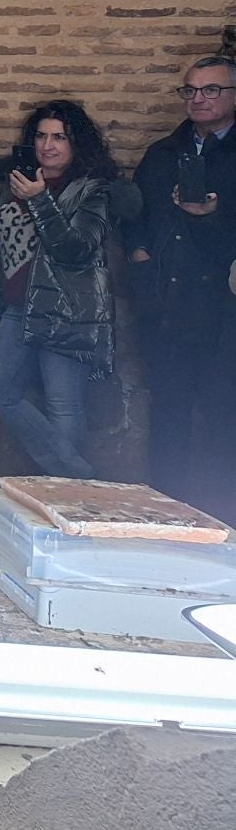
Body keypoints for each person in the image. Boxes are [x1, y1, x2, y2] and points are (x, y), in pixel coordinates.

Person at [0, 100, 118, 479]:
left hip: (68, 309)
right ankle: (76, 476)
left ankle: (67, 491)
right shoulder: (18, 181)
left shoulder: (91, 190)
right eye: (40, 136)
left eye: (59, 137)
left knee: (63, 403)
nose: (48, 145)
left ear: (76, 144)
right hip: (20, 308)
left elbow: (76, 250)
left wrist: (40, 201)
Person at [126, 56, 236, 514]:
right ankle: (163, 518)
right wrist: (139, 258)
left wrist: (214, 218)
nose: (198, 99)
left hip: (223, 312)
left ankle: (219, 522)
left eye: (211, 90)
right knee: (167, 414)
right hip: (167, 305)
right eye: (190, 90)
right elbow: (136, 216)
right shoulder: (163, 153)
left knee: (221, 420)